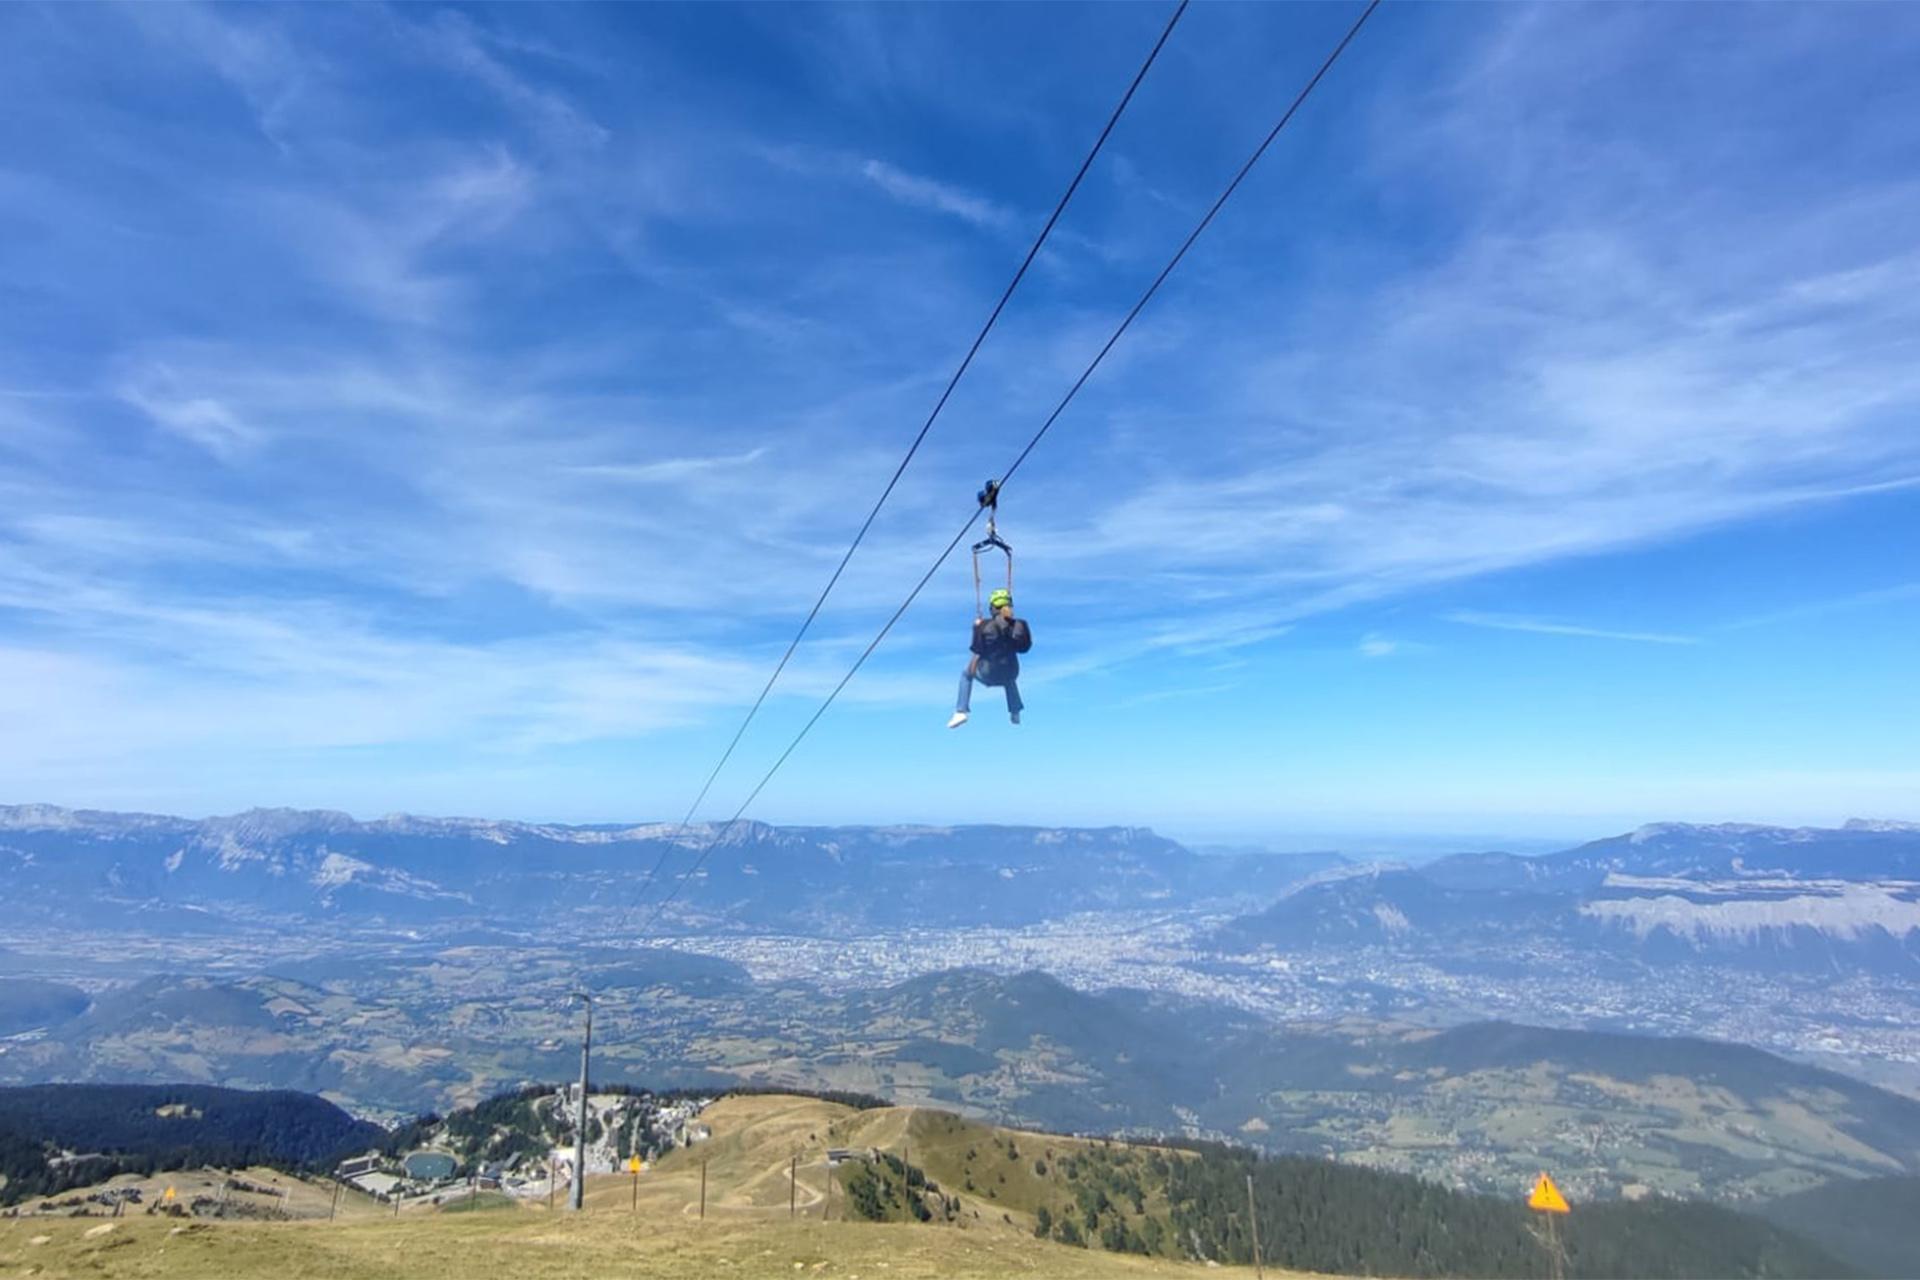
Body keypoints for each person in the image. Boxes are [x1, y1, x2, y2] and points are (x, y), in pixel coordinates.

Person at [948, 587, 1031, 728]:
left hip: (989, 673)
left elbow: (976, 649)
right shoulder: (1021, 625)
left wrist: (976, 628)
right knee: (1009, 678)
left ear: (992, 608)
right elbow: (1025, 648)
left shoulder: (984, 625)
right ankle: (1015, 711)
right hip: (1011, 673)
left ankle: (961, 711)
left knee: (965, 674)